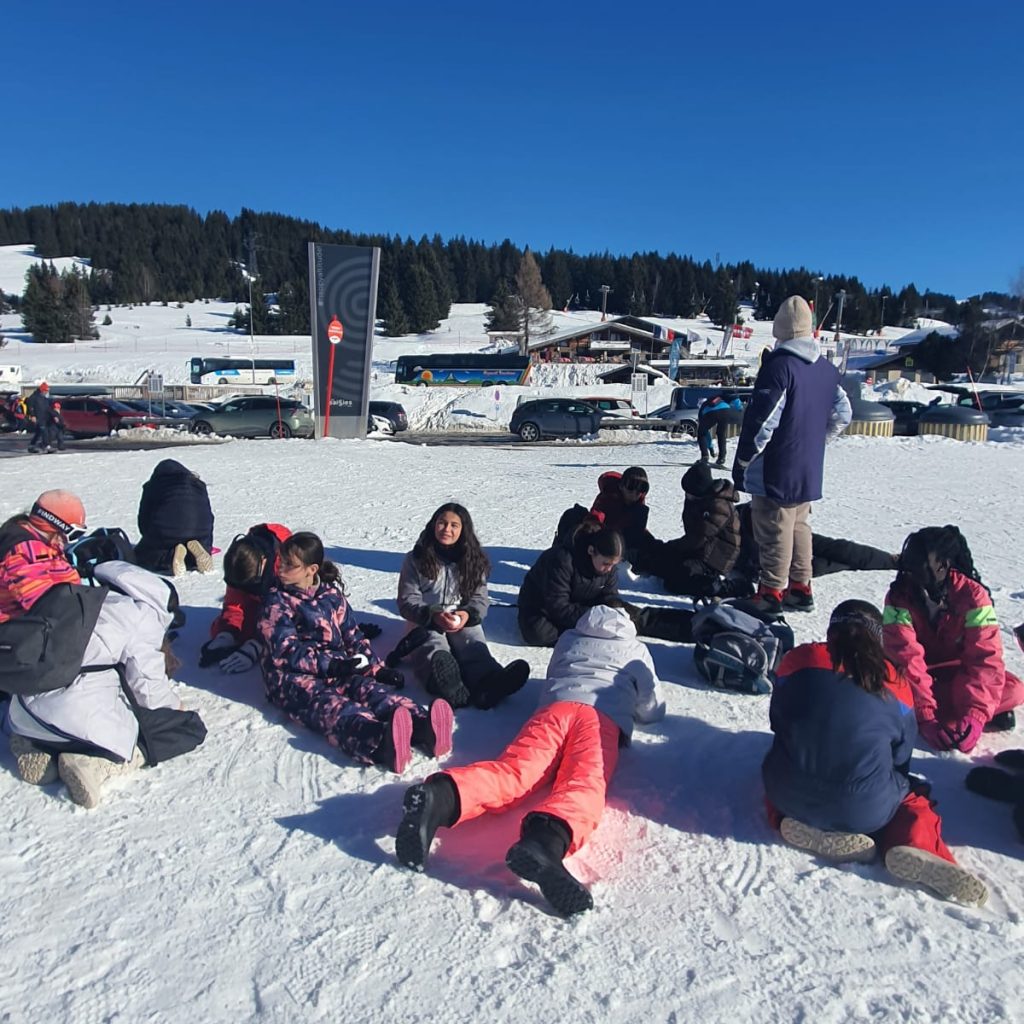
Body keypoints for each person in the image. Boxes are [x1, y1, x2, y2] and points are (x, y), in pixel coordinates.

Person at [395, 603, 666, 916]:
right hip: (599, 719)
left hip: (555, 709)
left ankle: (440, 797)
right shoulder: (635, 649)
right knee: (584, 783)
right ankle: (546, 841)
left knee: (515, 771)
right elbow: (652, 707)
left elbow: (554, 673)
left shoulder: (569, 636)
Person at [763, 599, 987, 906]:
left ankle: (786, 819)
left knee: (781, 765)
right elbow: (901, 759)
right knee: (911, 796)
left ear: (832, 631)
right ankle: (913, 843)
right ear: (877, 637)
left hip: (786, 792)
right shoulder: (895, 682)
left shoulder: (799, 658)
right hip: (862, 809)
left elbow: (778, 720)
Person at [6, 560, 200, 809]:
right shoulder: (140, 616)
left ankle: (35, 745)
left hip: (21, 710)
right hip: (72, 716)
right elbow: (148, 691)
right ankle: (97, 766)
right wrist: (175, 708)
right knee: (186, 729)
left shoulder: (79, 598)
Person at [258, 532, 452, 773]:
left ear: (311, 569)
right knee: (333, 707)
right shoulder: (277, 602)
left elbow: (352, 635)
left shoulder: (330, 596)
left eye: (290, 564)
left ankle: (423, 727)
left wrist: (376, 669)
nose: (282, 568)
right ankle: (381, 742)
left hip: (340, 666)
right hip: (290, 678)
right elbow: (285, 650)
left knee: (372, 691)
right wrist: (331, 665)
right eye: (282, 561)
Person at [732, 296, 852, 613]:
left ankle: (770, 593)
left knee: (774, 527)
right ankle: (801, 586)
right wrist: (817, 440)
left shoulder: (779, 367)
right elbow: (844, 413)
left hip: (777, 467)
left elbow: (763, 422)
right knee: (799, 526)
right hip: (808, 467)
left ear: (780, 329)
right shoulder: (826, 370)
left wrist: (744, 461)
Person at [882, 526, 1024, 751]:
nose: (910, 568)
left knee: (1014, 689)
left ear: (943, 565)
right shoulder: (898, 596)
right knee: (884, 691)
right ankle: (958, 713)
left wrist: (975, 715)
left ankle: (968, 714)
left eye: (919, 561)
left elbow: (985, 659)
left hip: (959, 677)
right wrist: (926, 717)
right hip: (916, 679)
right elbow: (905, 657)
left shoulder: (974, 597)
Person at [396, 503, 530, 710]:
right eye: (442, 523)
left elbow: (480, 598)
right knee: (432, 644)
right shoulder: (416, 558)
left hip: (459, 614)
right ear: (433, 525)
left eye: (454, 525)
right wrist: (432, 614)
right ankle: (445, 683)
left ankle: (490, 682)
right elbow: (407, 599)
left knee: (472, 643)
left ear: (463, 530)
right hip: (425, 616)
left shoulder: (473, 560)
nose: (446, 529)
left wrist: (467, 615)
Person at [732, 501, 898, 592]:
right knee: (826, 549)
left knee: (803, 561)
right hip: (761, 514)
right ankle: (889, 560)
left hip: (758, 524)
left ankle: (887, 561)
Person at [202, 522, 292, 672]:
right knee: (239, 629)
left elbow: (294, 616)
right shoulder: (241, 560)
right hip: (262, 601)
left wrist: (258, 644)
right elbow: (235, 604)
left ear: (264, 562)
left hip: (290, 609)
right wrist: (226, 633)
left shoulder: (288, 566)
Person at [645, 461, 740, 597]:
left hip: (716, 558)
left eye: (691, 493)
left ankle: (724, 588)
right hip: (701, 551)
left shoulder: (719, 506)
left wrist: (671, 547)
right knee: (664, 563)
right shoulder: (697, 499)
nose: (687, 496)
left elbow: (698, 539)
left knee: (677, 579)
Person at [518, 525, 622, 647]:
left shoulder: (608, 568)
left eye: (613, 565)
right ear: (591, 551)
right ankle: (583, 633)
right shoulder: (561, 559)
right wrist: (594, 618)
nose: (609, 569)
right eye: (606, 564)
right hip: (544, 606)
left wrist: (612, 612)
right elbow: (558, 606)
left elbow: (609, 597)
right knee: (537, 633)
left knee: (622, 618)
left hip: (580, 606)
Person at [0, 489, 85, 624]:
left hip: (46, 628)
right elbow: (43, 603)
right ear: (55, 526)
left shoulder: (47, 545)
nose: (69, 542)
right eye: (73, 534)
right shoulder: (23, 554)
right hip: (19, 634)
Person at [134, 459, 215, 578]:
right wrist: (207, 543)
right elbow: (208, 515)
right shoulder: (198, 485)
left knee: (145, 555)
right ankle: (197, 554)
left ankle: (171, 556)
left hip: (168, 531)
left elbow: (144, 518)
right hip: (200, 531)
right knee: (198, 538)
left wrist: (148, 538)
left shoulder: (154, 486)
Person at [589, 467, 652, 569]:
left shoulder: (639, 508)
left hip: (626, 543)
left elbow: (638, 533)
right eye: (631, 486)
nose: (635, 492)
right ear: (621, 486)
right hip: (605, 539)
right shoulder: (608, 498)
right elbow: (595, 519)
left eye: (642, 488)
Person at [697, 393, 743, 467]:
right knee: (721, 434)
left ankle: (704, 457)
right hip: (726, 411)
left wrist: (711, 448)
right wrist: (739, 408)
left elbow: (705, 433)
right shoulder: (718, 397)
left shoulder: (703, 408)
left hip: (711, 414)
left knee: (701, 433)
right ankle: (721, 458)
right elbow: (734, 397)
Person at [26, 380, 54, 454]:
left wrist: (53, 415)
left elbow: (47, 408)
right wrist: (32, 415)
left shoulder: (44, 398)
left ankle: (31, 446)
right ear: (42, 390)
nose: (46, 392)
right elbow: (29, 406)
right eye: (45, 390)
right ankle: (47, 446)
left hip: (44, 418)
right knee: (44, 432)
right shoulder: (34, 397)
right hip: (38, 418)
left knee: (38, 433)